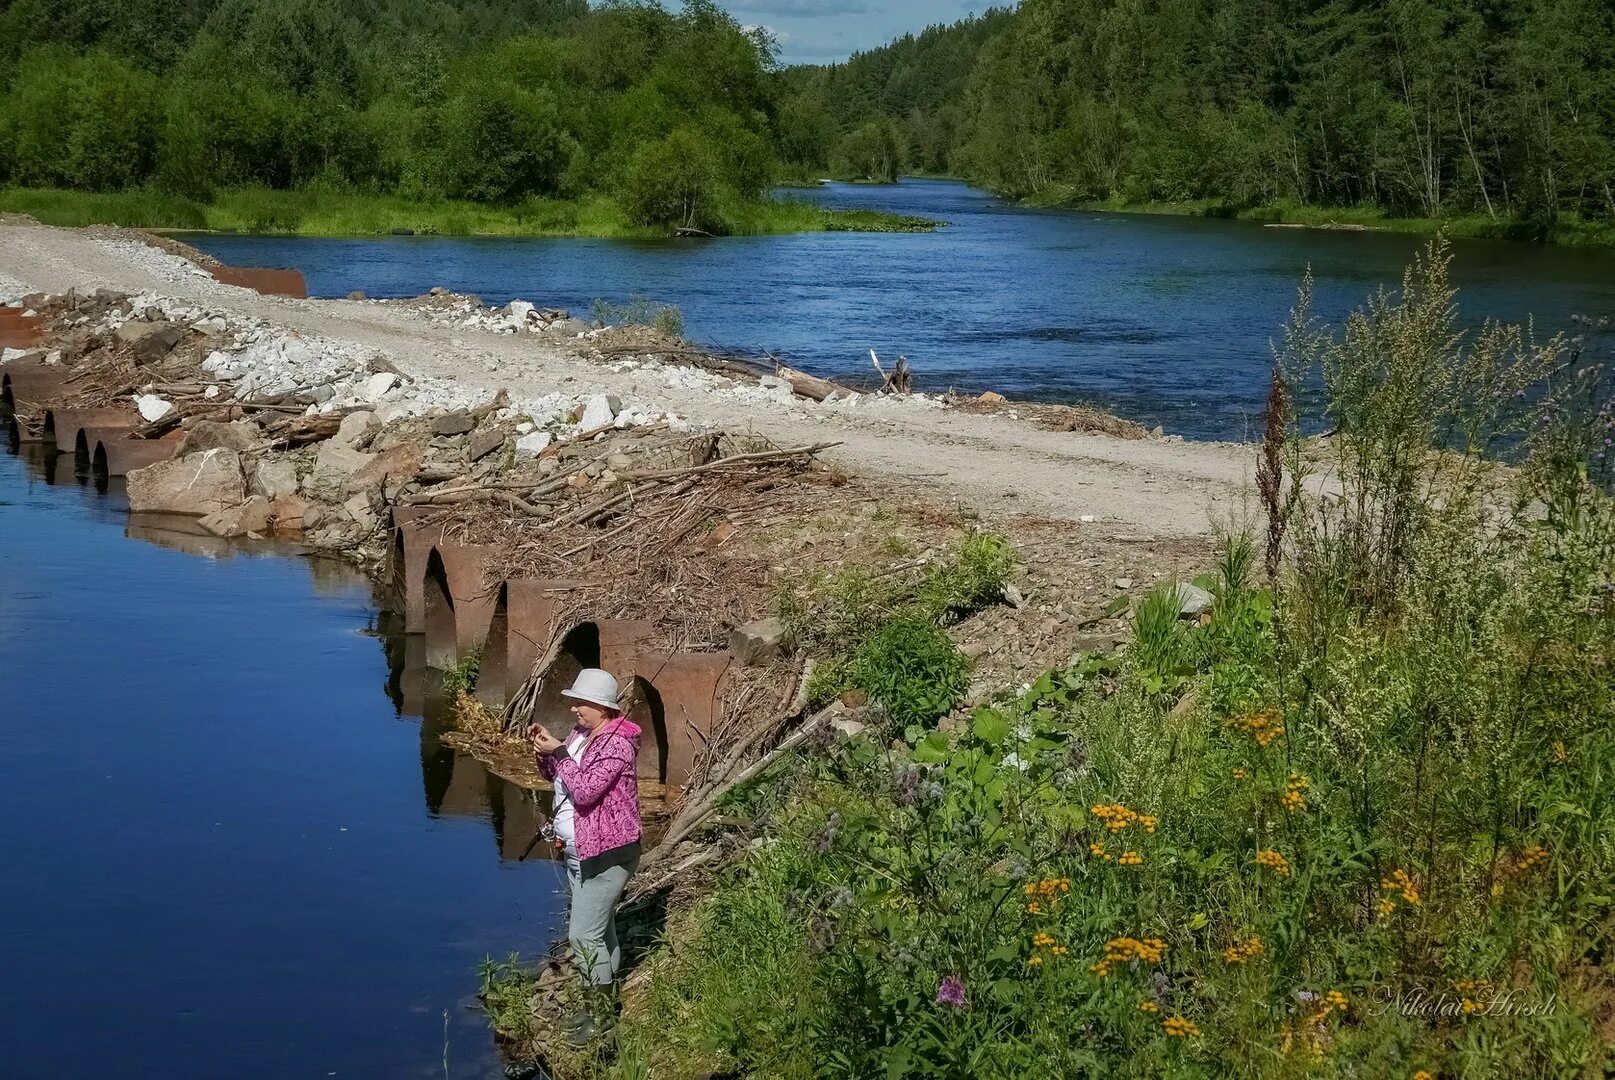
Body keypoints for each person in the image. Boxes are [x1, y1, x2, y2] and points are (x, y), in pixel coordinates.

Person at [530, 668, 643, 1041]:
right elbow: (559, 778)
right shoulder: (582, 735)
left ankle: (601, 1019)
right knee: (602, 932)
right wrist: (545, 752)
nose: (574, 708)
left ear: (602, 707)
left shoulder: (616, 744)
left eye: (580, 703)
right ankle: (601, 1009)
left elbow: (586, 790)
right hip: (580, 850)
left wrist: (559, 751)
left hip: (608, 852)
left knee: (583, 937)